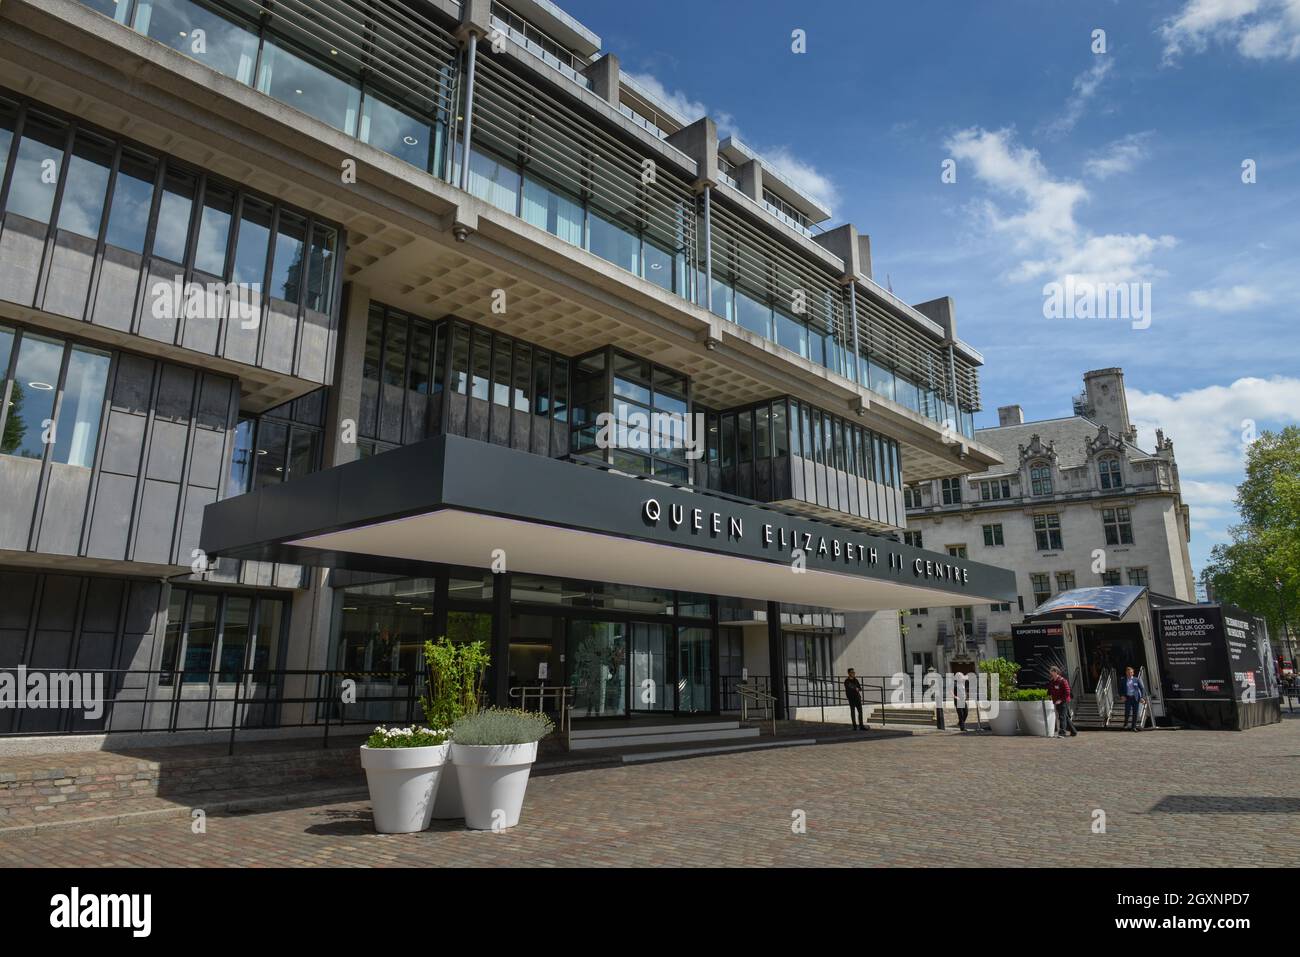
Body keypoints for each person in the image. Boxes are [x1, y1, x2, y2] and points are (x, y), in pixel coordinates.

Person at [1047, 666, 1078, 738]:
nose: (1051, 673)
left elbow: (1067, 692)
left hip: (1064, 701)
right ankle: (1073, 731)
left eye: (1052, 671)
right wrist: (1049, 695)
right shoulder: (1052, 681)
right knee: (1065, 717)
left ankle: (1062, 733)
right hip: (1056, 701)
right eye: (1050, 671)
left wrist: (1060, 700)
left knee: (1062, 717)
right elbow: (1050, 689)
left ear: (1056, 672)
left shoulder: (1062, 680)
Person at [1121, 666, 1147, 732]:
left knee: (1135, 713)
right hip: (1128, 698)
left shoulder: (1136, 679)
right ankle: (1125, 724)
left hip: (1135, 698)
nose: (1129, 673)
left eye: (1131, 672)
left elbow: (1142, 689)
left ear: (1133, 673)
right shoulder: (1123, 680)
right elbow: (1120, 689)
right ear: (1126, 673)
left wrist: (1142, 697)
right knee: (1127, 711)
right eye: (1128, 672)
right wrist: (1122, 696)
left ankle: (1133, 727)